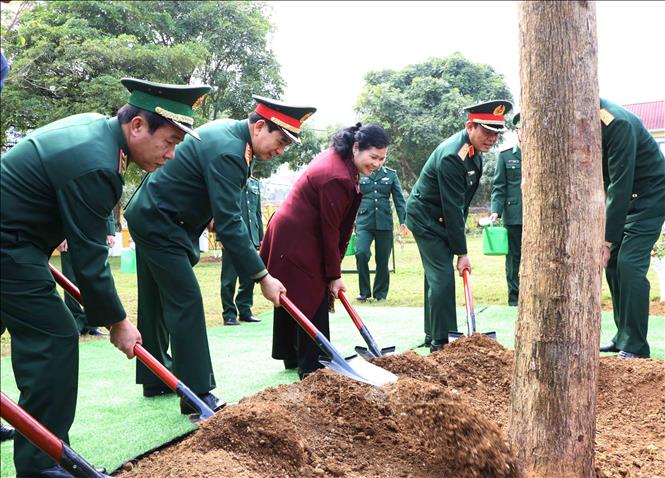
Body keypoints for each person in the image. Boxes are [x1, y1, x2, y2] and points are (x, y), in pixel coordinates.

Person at [1, 77, 208, 478]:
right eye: (168, 141)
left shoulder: (99, 135)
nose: (171, 155)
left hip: (18, 240)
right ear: (137, 127)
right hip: (10, 245)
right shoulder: (98, 162)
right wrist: (118, 322)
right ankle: (42, 464)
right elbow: (90, 256)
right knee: (55, 335)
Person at [124, 96, 316, 411]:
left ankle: (155, 377)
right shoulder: (231, 151)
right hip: (162, 223)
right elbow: (230, 225)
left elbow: (200, 184)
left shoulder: (231, 135)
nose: (281, 150)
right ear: (259, 126)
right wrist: (262, 276)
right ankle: (197, 395)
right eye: (280, 141)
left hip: (151, 214)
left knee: (155, 301)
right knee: (185, 301)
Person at [260, 123, 390, 379]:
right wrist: (333, 274)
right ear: (356, 148)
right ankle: (313, 365)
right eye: (373, 157)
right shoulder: (337, 177)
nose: (377, 164)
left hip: (295, 231)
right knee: (311, 294)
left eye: (382, 159)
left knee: (293, 292)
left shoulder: (342, 160)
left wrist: (332, 271)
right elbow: (331, 230)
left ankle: (290, 352)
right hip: (296, 236)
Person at [406, 100, 512, 352]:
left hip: (442, 215)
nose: (491, 139)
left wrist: (458, 244)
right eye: (486, 132)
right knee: (442, 278)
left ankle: (432, 331)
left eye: (496, 134)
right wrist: (462, 253)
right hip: (426, 218)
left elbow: (458, 205)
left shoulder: (473, 151)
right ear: (470, 126)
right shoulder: (454, 156)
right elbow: (453, 207)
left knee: (436, 277)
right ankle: (442, 343)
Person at [598, 98, 665, 359]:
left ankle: (636, 346)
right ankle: (623, 335)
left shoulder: (618, 124)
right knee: (614, 265)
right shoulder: (589, 119)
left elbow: (620, 185)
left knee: (628, 263)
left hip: (652, 196)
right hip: (630, 197)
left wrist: (606, 241)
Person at [57, 214, 117, 336]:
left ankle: (92, 323)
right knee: (70, 280)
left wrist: (110, 230)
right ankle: (75, 322)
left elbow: (105, 202)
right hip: (70, 234)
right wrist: (60, 235)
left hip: (94, 234)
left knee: (95, 280)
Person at [354, 165, 407, 302]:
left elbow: (399, 199)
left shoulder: (391, 174)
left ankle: (380, 294)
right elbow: (351, 197)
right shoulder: (360, 172)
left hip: (384, 221)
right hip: (364, 221)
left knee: (383, 260)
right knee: (361, 253)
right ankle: (364, 292)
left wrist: (403, 220)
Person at [489, 113, 523, 306]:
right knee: (514, 259)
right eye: (521, 129)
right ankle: (514, 298)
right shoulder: (506, 155)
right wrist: (496, 211)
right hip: (514, 216)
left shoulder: (545, 153)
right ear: (517, 131)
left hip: (540, 218)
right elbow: (499, 187)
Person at [221, 176, 264, 325]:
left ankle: (245, 311)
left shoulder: (254, 183)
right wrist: (221, 238)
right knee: (228, 279)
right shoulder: (230, 180)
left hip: (250, 237)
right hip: (231, 237)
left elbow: (257, 213)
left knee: (250, 278)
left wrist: (260, 238)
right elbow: (221, 210)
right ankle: (229, 314)